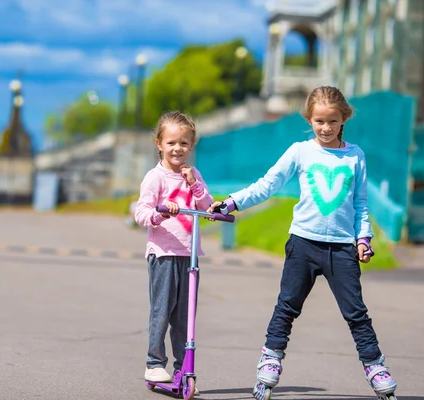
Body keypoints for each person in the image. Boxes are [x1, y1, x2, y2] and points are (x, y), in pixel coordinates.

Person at [207, 86, 397, 400]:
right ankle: (270, 359)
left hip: (341, 248)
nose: (325, 128)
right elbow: (268, 184)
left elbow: (361, 204)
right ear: (309, 119)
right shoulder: (301, 151)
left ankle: (374, 366)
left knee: (356, 313)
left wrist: (364, 238)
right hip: (303, 245)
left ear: (343, 119)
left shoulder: (355, 156)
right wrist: (232, 203)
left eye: (332, 121)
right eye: (319, 121)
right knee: (287, 307)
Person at [135, 111, 213, 388]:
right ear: (159, 144)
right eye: (171, 143)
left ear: (191, 146)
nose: (177, 149)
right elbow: (141, 212)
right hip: (164, 254)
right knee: (162, 310)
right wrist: (159, 214)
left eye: (183, 143)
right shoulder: (155, 178)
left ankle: (183, 368)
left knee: (185, 316)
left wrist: (195, 184)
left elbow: (208, 207)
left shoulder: (194, 175)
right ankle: (155, 363)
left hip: (189, 256)